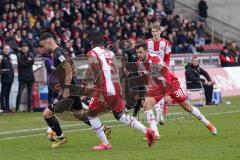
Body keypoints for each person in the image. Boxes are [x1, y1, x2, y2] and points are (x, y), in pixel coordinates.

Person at [39, 32, 112, 148]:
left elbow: (68, 68)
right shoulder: (61, 51)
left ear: (49, 42)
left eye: (42, 45)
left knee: (47, 114)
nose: (42, 48)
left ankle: (60, 137)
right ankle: (103, 128)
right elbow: (72, 67)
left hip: (68, 90)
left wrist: (66, 87)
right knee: (78, 114)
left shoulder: (58, 53)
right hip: (73, 89)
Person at [85, 32, 156, 150]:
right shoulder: (110, 52)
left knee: (91, 115)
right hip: (116, 88)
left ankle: (105, 143)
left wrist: (99, 91)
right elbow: (119, 72)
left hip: (105, 89)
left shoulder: (92, 53)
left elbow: (97, 72)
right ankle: (147, 130)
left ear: (92, 42)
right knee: (119, 115)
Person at [135, 40, 217, 139]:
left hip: (171, 84)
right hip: (157, 87)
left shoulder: (156, 60)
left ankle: (208, 124)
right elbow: (145, 78)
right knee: (147, 105)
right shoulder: (139, 63)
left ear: (146, 51)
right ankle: (155, 134)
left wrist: (167, 94)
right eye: (137, 52)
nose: (138, 54)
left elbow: (167, 77)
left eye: (140, 52)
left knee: (187, 107)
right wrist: (147, 90)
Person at [145, 23, 172, 124]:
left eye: (156, 31)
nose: (154, 33)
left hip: (162, 70)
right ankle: (159, 114)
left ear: (160, 32)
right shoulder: (147, 42)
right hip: (150, 70)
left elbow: (168, 58)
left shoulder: (166, 43)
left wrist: (165, 67)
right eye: (152, 31)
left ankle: (159, 113)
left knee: (159, 91)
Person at [16, 43, 35, 112]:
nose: (24, 48)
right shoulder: (18, 55)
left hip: (30, 77)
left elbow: (32, 62)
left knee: (30, 94)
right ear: (21, 48)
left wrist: (25, 62)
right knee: (19, 93)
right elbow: (21, 63)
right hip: (22, 78)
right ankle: (17, 108)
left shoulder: (31, 54)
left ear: (27, 48)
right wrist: (28, 62)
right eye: (23, 47)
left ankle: (29, 109)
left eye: (25, 47)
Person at [0, 44, 14, 113]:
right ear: (3, 50)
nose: (7, 50)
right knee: (3, 94)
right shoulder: (1, 57)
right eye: (5, 49)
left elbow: (11, 69)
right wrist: (4, 71)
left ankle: (7, 108)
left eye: (8, 49)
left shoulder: (9, 57)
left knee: (8, 94)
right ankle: (3, 108)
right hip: (5, 78)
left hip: (10, 79)